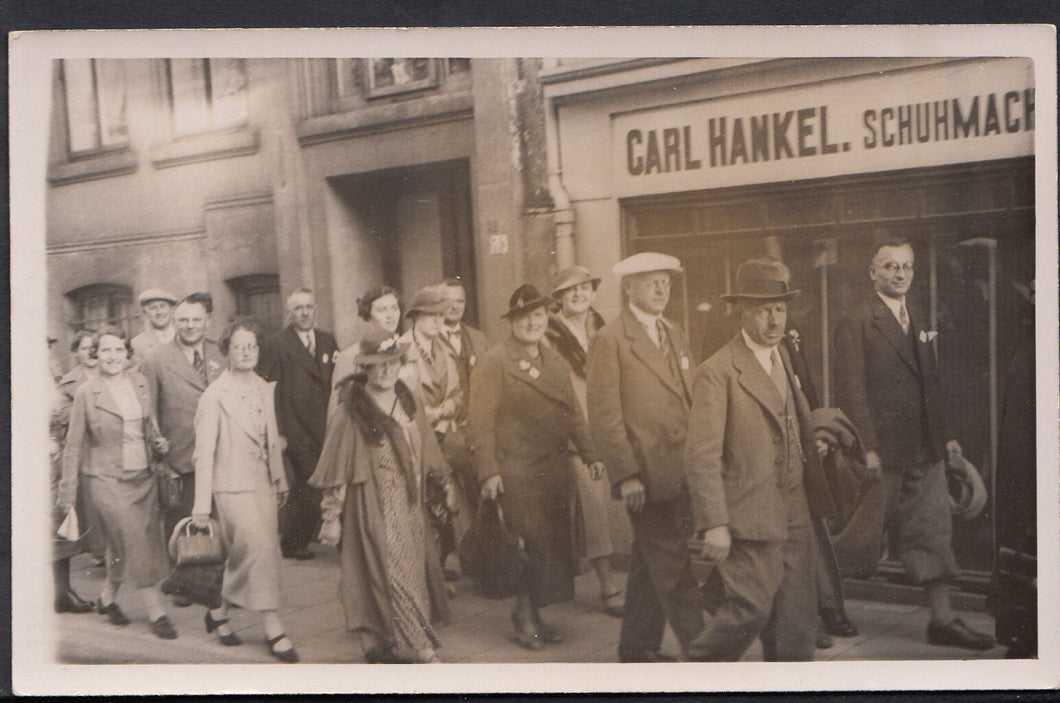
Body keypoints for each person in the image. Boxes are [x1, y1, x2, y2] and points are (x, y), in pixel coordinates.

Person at [833, 237, 995, 650]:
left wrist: (947, 437)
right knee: (860, 541)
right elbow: (851, 390)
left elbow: (931, 385)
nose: (899, 273)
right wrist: (866, 446)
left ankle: (942, 620)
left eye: (906, 266)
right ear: (873, 274)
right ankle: (824, 606)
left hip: (924, 449)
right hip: (880, 454)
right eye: (890, 266)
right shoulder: (856, 321)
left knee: (932, 536)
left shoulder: (918, 317)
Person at [684, 258, 836, 662]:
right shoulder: (717, 372)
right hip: (747, 509)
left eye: (780, 309)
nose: (774, 319)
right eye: (764, 309)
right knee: (749, 608)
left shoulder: (782, 356)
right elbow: (702, 455)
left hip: (794, 505)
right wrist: (714, 523)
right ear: (743, 312)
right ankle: (688, 678)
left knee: (797, 620)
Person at [468, 284, 605, 650]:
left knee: (549, 546)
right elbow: (479, 422)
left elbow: (572, 412)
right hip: (517, 470)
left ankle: (537, 615)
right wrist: (488, 471)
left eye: (539, 315)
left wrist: (591, 453)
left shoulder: (553, 359)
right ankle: (523, 613)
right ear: (512, 322)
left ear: (547, 318)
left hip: (553, 468)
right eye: (524, 317)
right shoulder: (495, 361)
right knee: (527, 544)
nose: (532, 322)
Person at [586, 252, 704, 663]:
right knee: (674, 565)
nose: (661, 290)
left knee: (650, 559)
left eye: (666, 283)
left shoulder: (673, 331)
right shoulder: (611, 339)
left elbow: (690, 398)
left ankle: (636, 648)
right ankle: (706, 654)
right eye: (652, 282)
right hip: (646, 475)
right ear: (629, 287)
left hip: (680, 467)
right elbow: (604, 415)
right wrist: (626, 474)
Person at [310, 330, 454, 664]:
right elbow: (337, 465)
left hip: (410, 499)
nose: (385, 371)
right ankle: (424, 649)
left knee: (404, 569)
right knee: (392, 569)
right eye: (377, 366)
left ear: (400, 363)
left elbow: (427, 447)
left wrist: (442, 483)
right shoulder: (353, 408)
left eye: (391, 363)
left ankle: (376, 640)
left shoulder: (407, 398)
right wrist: (331, 517)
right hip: (373, 500)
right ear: (365, 369)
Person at [57, 326, 176, 639]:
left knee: (124, 545)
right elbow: (73, 445)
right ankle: (156, 611)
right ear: (97, 355)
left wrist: (159, 443)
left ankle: (107, 599)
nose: (112, 357)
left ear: (127, 354)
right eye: (106, 350)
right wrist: (67, 492)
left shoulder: (139, 383)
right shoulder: (87, 392)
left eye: (119, 351)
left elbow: (149, 428)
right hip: (107, 479)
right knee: (135, 541)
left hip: (143, 476)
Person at [191, 318, 298, 662]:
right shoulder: (214, 396)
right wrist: (200, 505)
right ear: (226, 351)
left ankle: (219, 612)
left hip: (262, 484)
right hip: (230, 486)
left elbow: (271, 439)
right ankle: (273, 627)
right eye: (238, 346)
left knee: (250, 554)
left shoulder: (262, 387)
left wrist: (279, 479)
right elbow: (203, 452)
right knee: (260, 548)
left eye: (251, 346)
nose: (246, 352)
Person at [544, 265, 626, 618]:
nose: (579, 295)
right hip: (575, 429)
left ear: (594, 294)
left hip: (609, 423)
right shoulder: (549, 336)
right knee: (593, 505)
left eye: (585, 289)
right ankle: (608, 583)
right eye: (570, 291)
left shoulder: (605, 330)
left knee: (616, 503)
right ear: (559, 299)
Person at [258, 287, 338, 561]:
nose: (305, 313)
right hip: (296, 427)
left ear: (316, 310)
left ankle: (297, 539)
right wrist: (278, 431)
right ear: (288, 313)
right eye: (298, 308)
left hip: (326, 425)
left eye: (309, 307)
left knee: (314, 484)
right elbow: (268, 391)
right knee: (310, 482)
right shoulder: (277, 344)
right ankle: (294, 541)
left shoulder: (327, 341)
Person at [143, 292, 225, 554]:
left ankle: (222, 583)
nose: (190, 325)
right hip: (183, 459)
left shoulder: (221, 353)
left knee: (221, 525)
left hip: (223, 453)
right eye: (184, 320)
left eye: (196, 320)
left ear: (207, 321)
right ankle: (181, 585)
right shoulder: (156, 360)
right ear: (175, 323)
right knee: (184, 528)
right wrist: (161, 455)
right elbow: (149, 411)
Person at [49, 331, 99, 613]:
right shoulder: (67, 383)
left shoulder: (112, 374)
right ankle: (62, 593)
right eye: (85, 348)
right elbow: (61, 419)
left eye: (95, 347)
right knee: (61, 525)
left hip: (100, 460)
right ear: (76, 352)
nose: (91, 352)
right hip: (68, 461)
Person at [436, 278, 489, 520]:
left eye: (460, 301)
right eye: (448, 301)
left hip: (475, 426)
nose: (455, 306)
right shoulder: (429, 338)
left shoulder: (478, 339)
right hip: (443, 430)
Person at [329, 285, 403, 419]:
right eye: (381, 310)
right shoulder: (350, 356)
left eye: (394, 308)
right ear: (368, 315)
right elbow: (336, 412)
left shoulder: (404, 349)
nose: (390, 315)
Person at [130, 288, 178, 370]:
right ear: (146, 313)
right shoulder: (138, 343)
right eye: (153, 308)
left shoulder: (184, 334)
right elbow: (137, 376)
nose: (159, 312)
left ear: (171, 309)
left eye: (162, 306)